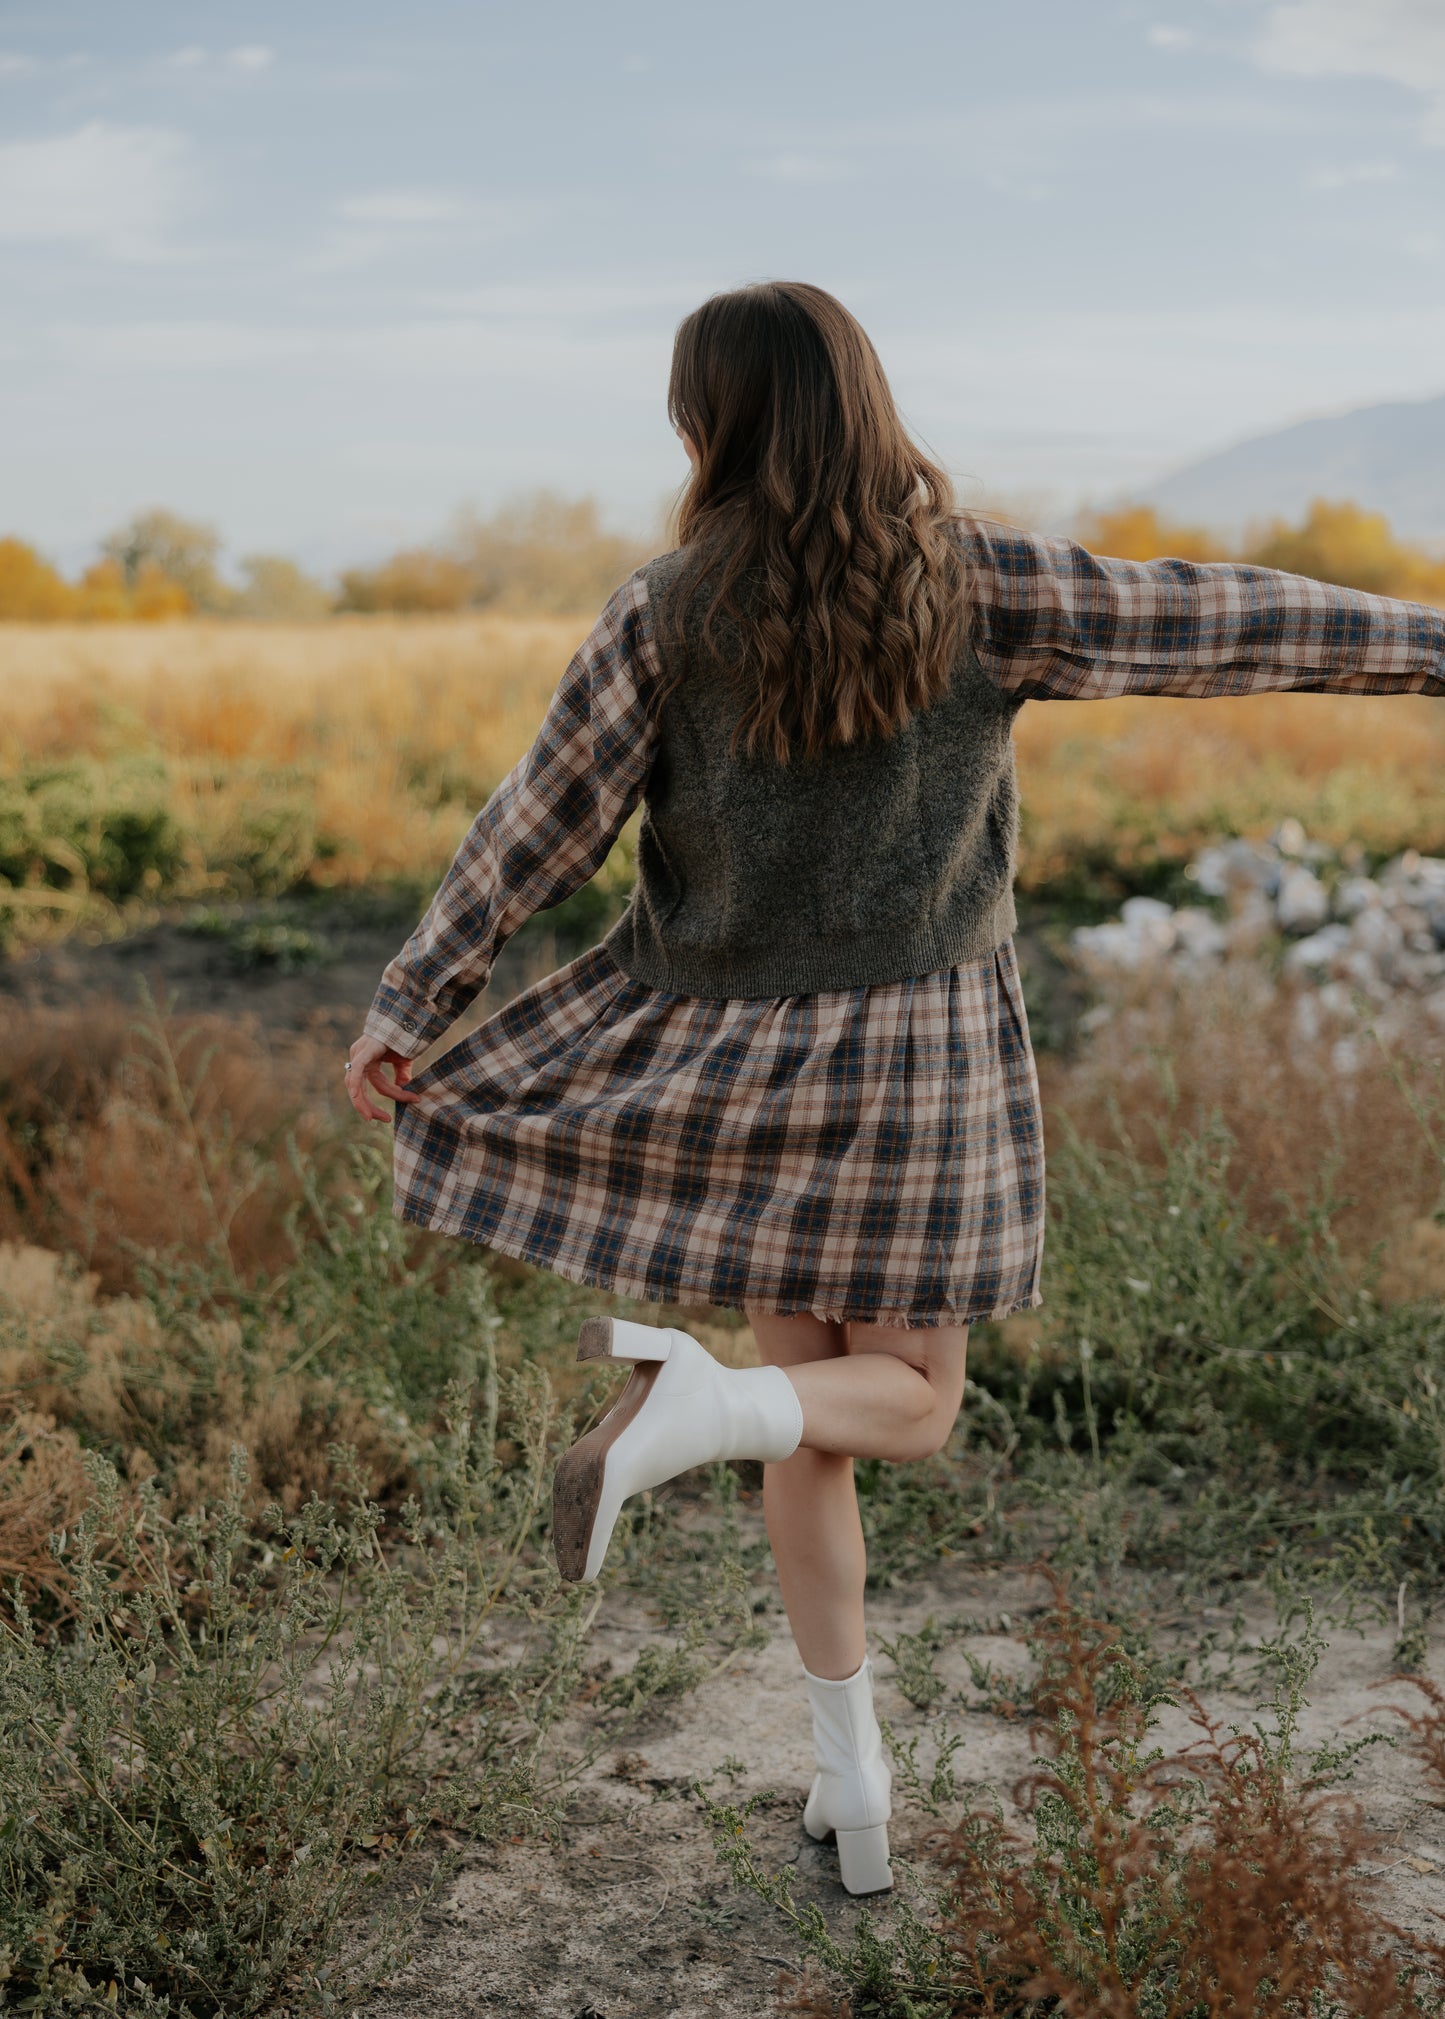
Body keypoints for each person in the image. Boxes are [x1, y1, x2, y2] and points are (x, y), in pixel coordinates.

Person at [347, 281, 1445, 1896]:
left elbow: (537, 827)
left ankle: (849, 1783)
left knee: (820, 1433)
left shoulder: (662, 608)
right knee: (905, 1405)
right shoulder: (982, 581)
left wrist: (411, 997)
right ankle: (697, 1408)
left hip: (729, 1064)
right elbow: (1239, 619)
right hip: (919, 1062)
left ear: (705, 422)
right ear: (864, 399)